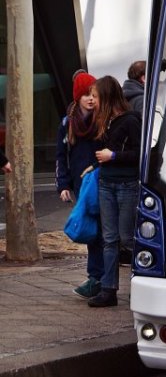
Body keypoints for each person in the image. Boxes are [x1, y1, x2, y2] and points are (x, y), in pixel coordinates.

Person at [88, 76, 142, 308]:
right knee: (109, 239)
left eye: (95, 96)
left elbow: (140, 154)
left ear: (107, 97)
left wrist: (114, 156)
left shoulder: (130, 121)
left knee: (127, 239)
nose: (92, 100)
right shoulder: (104, 121)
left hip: (126, 185)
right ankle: (108, 289)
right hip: (106, 183)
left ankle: (140, 285)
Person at [55, 72, 103, 299]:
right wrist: (63, 185)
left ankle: (98, 278)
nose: (91, 99)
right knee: (91, 230)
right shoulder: (68, 123)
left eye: (93, 94)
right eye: (86, 95)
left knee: (102, 232)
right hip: (80, 184)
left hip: (98, 181)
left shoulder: (102, 120)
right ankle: (97, 278)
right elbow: (61, 156)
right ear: (78, 97)